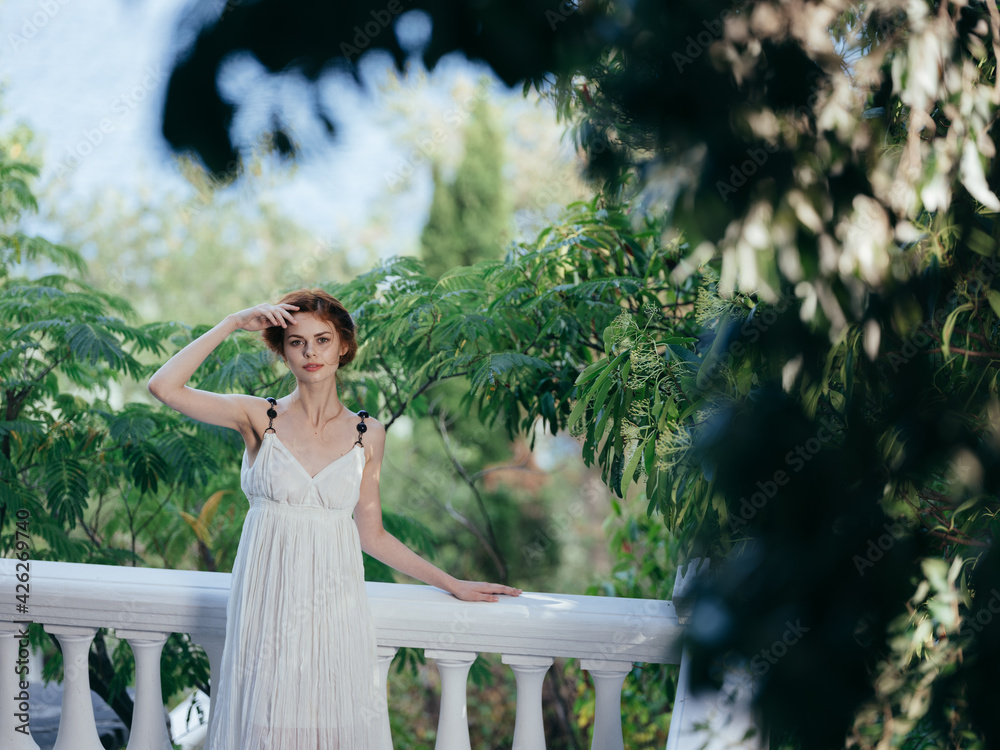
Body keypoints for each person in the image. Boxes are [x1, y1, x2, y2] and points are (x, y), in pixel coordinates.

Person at [147, 288, 521, 750]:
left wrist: (454, 584)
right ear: (282, 351)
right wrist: (230, 323)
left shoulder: (370, 434)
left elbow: (373, 534)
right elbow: (163, 387)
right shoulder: (256, 416)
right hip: (267, 605)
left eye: (322, 340)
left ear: (343, 345)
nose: (310, 353)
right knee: (265, 727)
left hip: (334, 610)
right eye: (296, 342)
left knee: (331, 730)